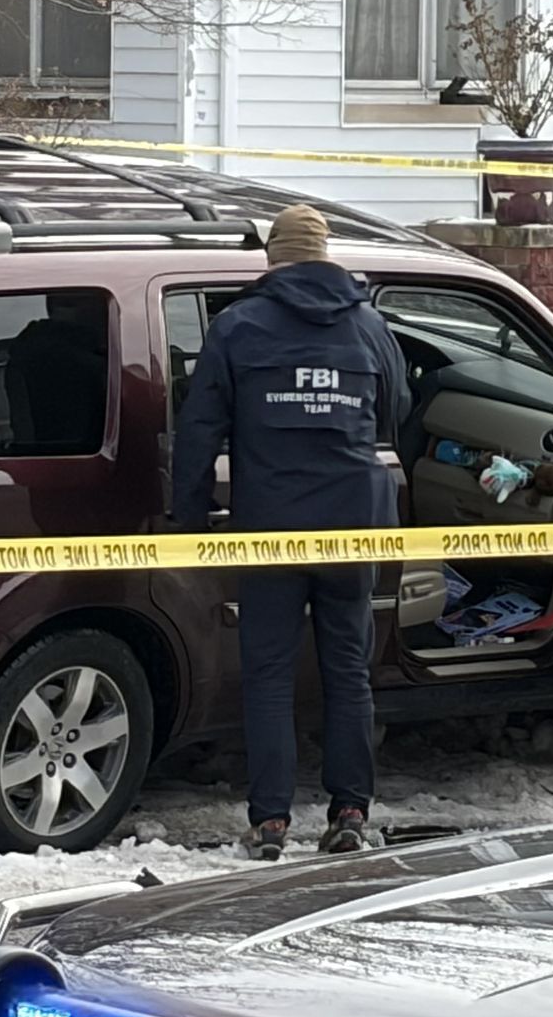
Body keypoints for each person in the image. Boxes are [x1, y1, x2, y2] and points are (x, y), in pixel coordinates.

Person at [171, 204, 409, 860]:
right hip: (354, 526)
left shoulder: (238, 327)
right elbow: (399, 412)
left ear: (273, 260)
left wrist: (188, 515)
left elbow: (199, 430)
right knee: (348, 671)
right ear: (326, 255)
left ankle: (271, 822)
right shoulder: (368, 326)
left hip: (271, 525)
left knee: (270, 673)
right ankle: (351, 812)